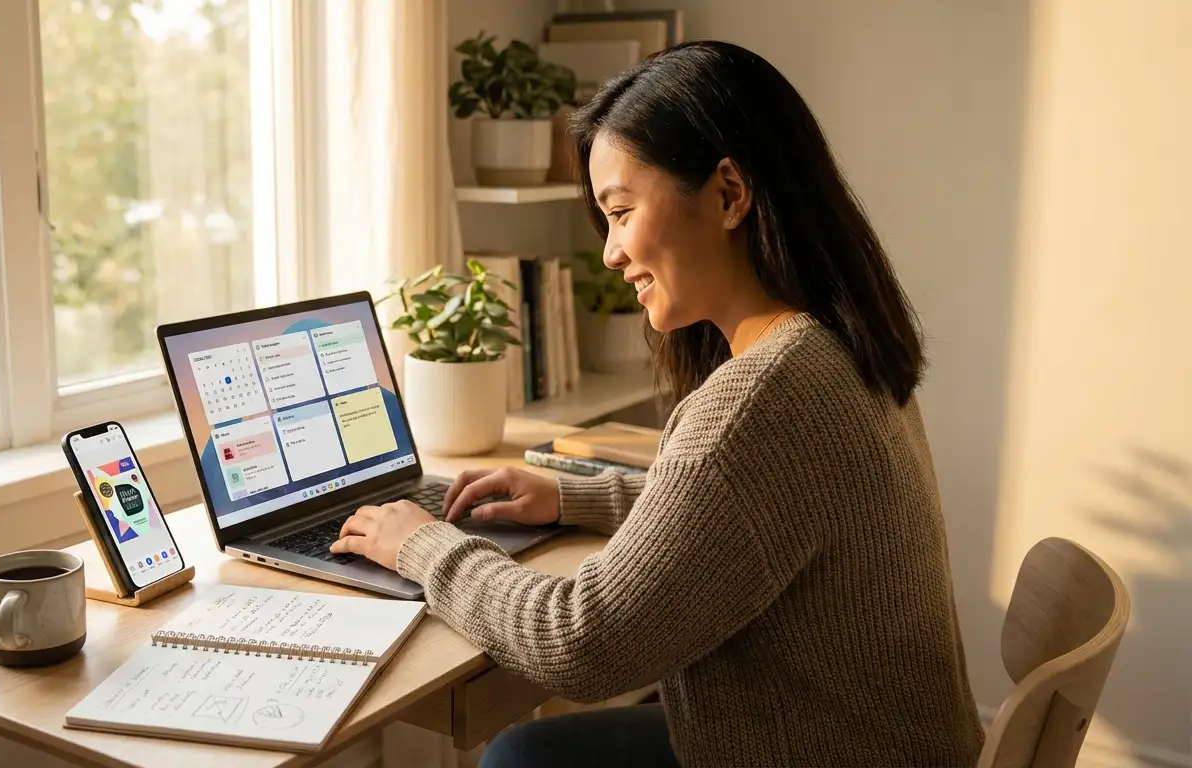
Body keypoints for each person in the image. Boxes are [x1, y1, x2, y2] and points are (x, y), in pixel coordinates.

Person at [331, 40, 984, 767]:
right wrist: (573, 497)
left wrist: (420, 546)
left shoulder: (760, 401)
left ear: (729, 195)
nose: (610, 252)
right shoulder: (834, 343)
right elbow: (749, 511)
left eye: (619, 211)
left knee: (517, 760)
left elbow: (581, 644)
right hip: (886, 746)